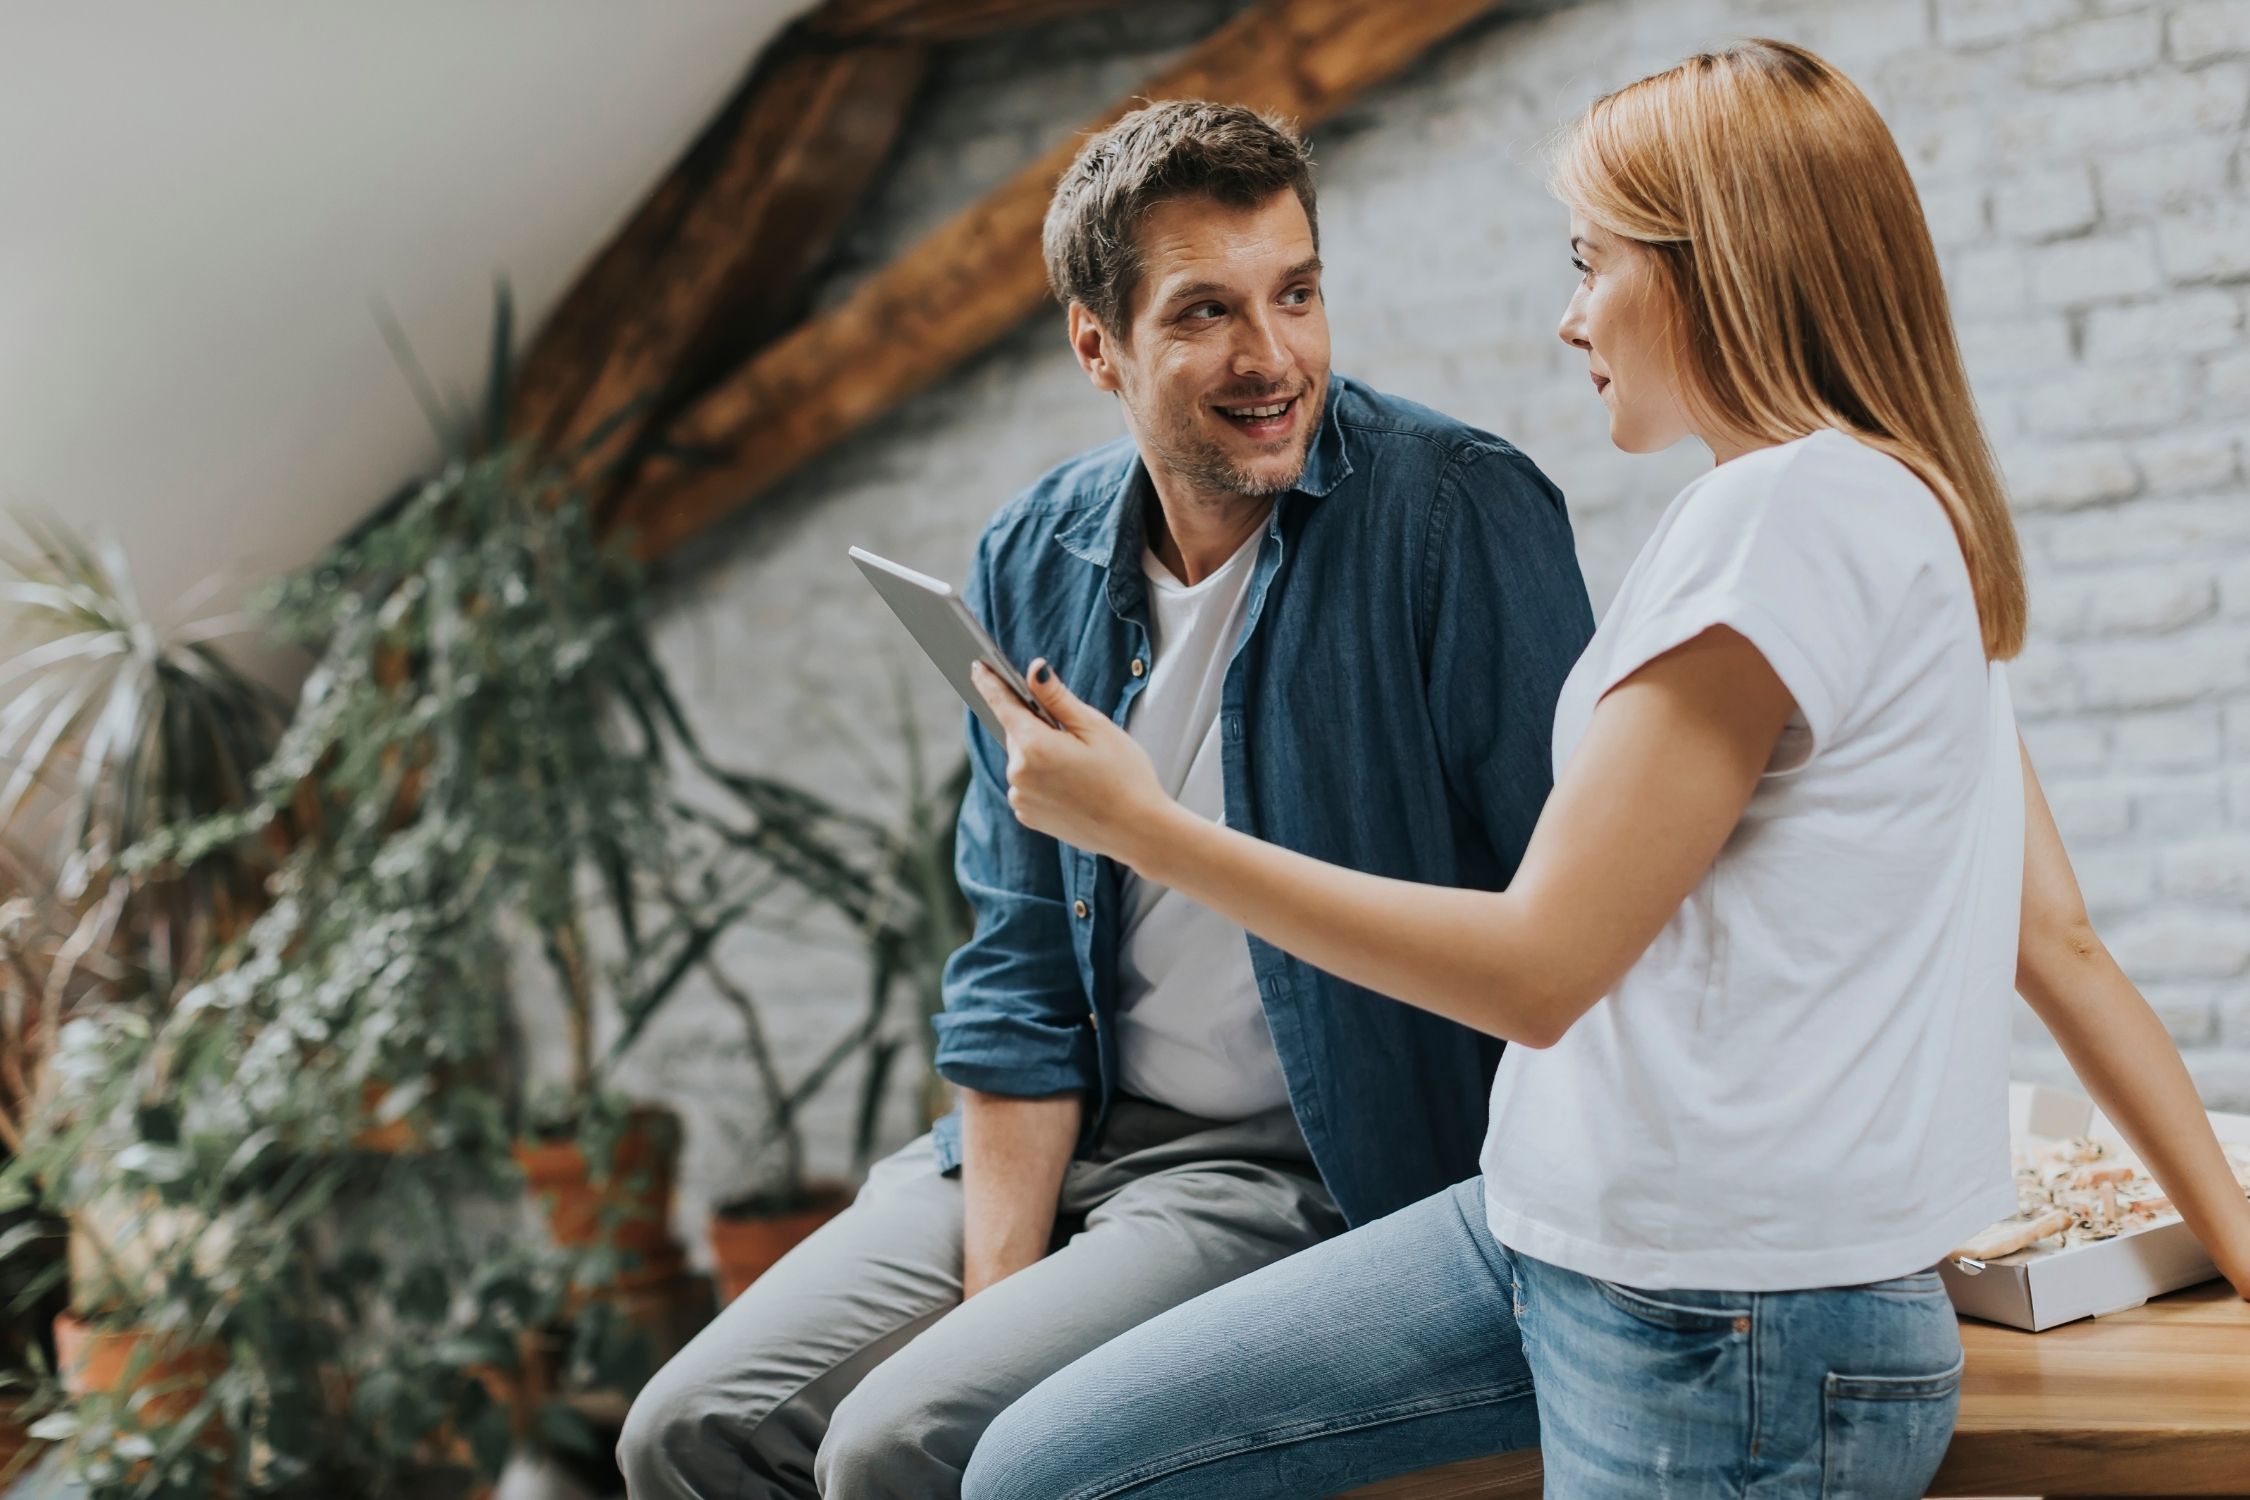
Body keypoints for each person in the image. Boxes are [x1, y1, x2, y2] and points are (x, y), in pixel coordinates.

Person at [958, 39, 2250, 1500]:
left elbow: (1540, 966)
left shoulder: (1787, 520)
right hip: (1548, 1231)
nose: (1571, 319)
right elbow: (2057, 942)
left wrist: (1146, 830)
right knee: (1035, 1468)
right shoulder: (1881, 509)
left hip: (1722, 1317)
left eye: (1592, 263)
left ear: (1716, 272)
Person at [616, 101, 1595, 1500]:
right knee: (688, 1431)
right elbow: (1014, 965)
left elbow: (1566, 918)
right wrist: (997, 1293)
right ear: (1098, 345)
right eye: (1206, 311)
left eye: (1297, 294)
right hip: (1067, 1145)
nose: (1274, 358)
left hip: (1304, 1169)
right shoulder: (1034, 555)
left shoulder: (1453, 517)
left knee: (897, 1447)